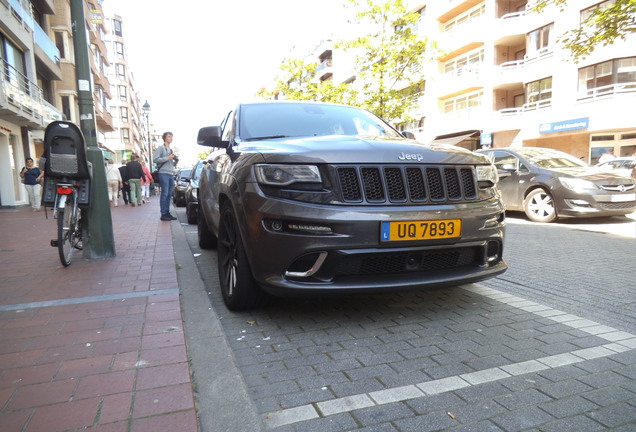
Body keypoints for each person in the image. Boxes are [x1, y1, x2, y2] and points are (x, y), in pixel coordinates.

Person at [154, 131, 178, 221]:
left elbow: (171, 162)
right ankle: (163, 213)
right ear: (164, 138)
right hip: (163, 173)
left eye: (171, 136)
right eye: (169, 136)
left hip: (171, 173)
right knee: (164, 193)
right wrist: (167, 158)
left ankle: (167, 212)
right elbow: (155, 160)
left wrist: (175, 160)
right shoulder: (161, 148)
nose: (170, 138)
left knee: (169, 194)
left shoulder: (170, 149)